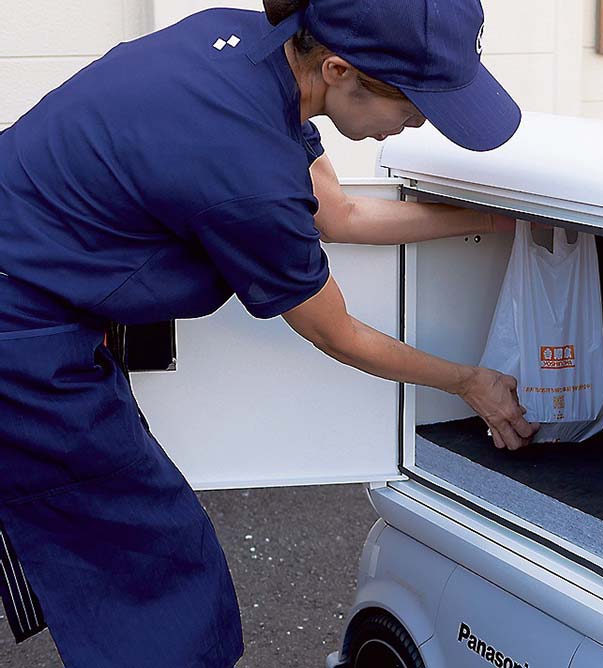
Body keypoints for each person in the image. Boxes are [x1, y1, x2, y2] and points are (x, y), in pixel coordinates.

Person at [0, 0, 538, 665]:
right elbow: (337, 332)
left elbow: (335, 213)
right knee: (155, 571)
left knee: (120, 539)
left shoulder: (251, 47)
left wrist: (498, 222)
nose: (420, 120)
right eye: (413, 103)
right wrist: (469, 381)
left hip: (31, 287)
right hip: (18, 339)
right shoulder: (245, 169)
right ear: (341, 70)